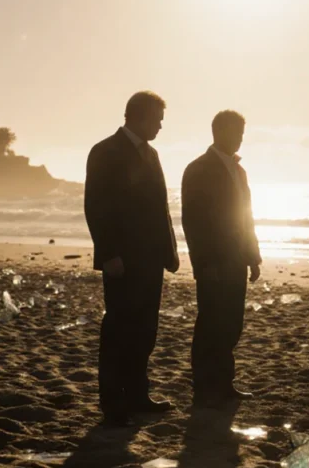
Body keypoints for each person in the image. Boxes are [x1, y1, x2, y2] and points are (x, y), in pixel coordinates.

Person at [84, 90, 180, 427]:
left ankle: (138, 394)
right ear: (137, 116)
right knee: (119, 329)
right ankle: (113, 402)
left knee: (145, 330)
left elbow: (161, 208)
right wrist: (108, 254)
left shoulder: (151, 154)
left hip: (151, 257)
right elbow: (96, 206)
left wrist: (170, 251)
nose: (160, 127)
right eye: (157, 120)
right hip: (122, 259)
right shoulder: (106, 151)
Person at [181, 110, 261, 408]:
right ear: (220, 131)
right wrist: (203, 262)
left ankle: (224, 383)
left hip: (237, 257)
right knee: (210, 322)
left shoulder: (240, 171)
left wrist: (254, 256)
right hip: (214, 259)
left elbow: (246, 217)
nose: (241, 138)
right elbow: (193, 220)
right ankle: (204, 387)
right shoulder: (199, 169)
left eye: (242, 132)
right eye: (237, 132)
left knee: (232, 323)